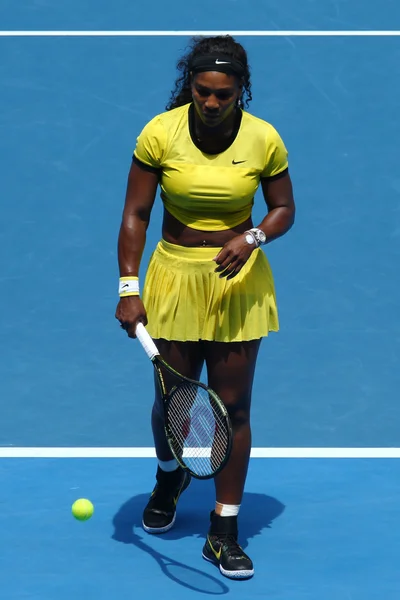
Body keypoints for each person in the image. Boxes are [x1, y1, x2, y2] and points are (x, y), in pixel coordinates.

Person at [115, 34, 295, 580]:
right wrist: (128, 287)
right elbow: (136, 214)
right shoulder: (159, 133)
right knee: (174, 402)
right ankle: (170, 475)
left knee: (234, 407)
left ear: (241, 89)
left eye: (224, 93)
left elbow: (283, 207)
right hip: (172, 276)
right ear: (189, 86)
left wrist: (254, 238)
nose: (212, 103)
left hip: (237, 282)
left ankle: (224, 529)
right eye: (202, 92)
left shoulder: (263, 139)